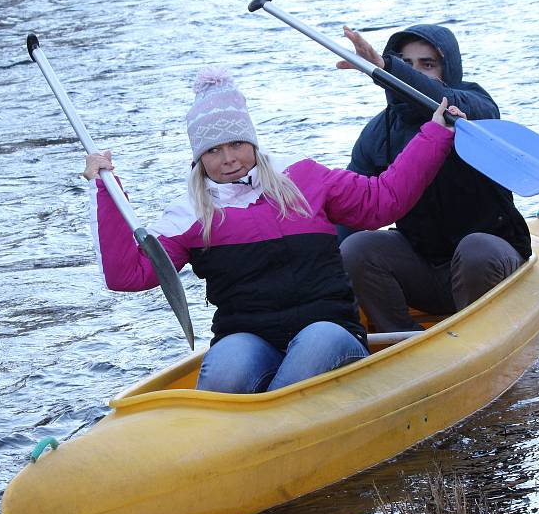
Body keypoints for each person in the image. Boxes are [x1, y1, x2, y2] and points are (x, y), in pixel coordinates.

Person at [82, 67, 463, 394]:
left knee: (316, 342)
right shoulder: (189, 215)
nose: (228, 158)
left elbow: (384, 200)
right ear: (198, 157)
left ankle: (272, 424)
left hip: (330, 330)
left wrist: (434, 135)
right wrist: (107, 192)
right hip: (250, 338)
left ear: (252, 142)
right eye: (213, 151)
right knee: (228, 366)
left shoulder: (303, 178)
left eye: (236, 144)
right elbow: (128, 275)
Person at [336, 24, 532, 333]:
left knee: (475, 250)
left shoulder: (472, 104)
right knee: (357, 249)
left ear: (448, 68)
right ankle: (403, 345)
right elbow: (350, 210)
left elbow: (445, 97)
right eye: (406, 63)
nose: (415, 72)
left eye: (427, 64)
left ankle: (479, 338)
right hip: (423, 269)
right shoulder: (377, 133)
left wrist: (389, 67)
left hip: (489, 262)